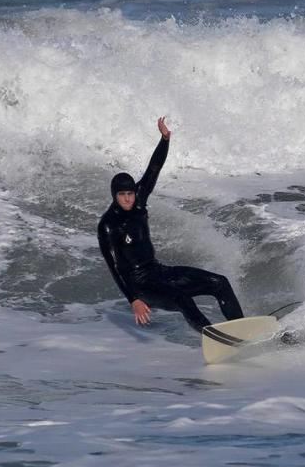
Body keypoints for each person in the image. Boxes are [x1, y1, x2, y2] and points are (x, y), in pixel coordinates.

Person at [97, 117, 245, 331]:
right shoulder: (108, 225)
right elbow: (116, 269)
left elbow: (154, 168)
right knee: (181, 298)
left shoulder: (138, 203)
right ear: (115, 195)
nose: (128, 199)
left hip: (159, 272)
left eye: (130, 193)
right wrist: (134, 300)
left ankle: (240, 329)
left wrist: (165, 139)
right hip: (141, 286)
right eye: (122, 195)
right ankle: (215, 339)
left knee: (219, 282)